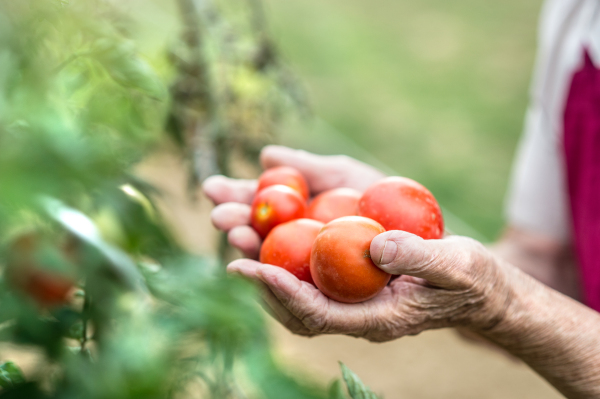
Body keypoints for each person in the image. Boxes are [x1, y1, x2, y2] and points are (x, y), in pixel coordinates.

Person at [203, 0, 600, 397]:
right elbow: (548, 262)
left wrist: (499, 303)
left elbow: (517, 296)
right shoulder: (576, 11)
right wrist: (459, 283)